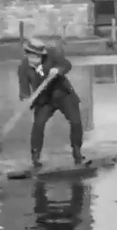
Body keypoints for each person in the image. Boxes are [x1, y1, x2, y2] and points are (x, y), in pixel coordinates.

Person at [17, 36, 86, 169]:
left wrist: (58, 70)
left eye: (36, 57)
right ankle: (35, 157)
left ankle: (77, 153)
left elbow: (67, 64)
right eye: (30, 56)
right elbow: (24, 89)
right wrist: (25, 98)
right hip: (44, 99)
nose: (33, 60)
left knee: (76, 121)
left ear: (41, 56)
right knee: (38, 125)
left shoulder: (52, 56)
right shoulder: (23, 68)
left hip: (63, 93)